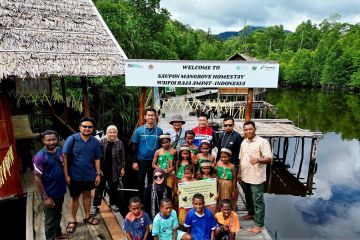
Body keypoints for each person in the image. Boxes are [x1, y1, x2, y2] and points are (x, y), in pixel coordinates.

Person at [62, 117, 102, 234]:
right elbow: (64, 156)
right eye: (84, 126)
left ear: (92, 129)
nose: (87, 129)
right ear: (80, 127)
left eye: (89, 127)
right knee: (75, 197)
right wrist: (66, 175)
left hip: (89, 174)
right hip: (75, 175)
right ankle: (73, 219)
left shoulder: (95, 141)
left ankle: (87, 216)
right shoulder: (72, 139)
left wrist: (98, 174)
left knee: (87, 195)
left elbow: (97, 158)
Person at [237, 121, 272, 235]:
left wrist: (258, 160)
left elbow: (269, 158)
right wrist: (239, 173)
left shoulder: (262, 142)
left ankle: (259, 225)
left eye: (250, 129)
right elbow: (240, 159)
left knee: (258, 201)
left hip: (256, 177)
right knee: (248, 197)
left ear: (255, 129)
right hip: (245, 175)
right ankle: (251, 213)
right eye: (246, 129)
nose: (248, 131)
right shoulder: (243, 142)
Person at [32, 130, 68, 240]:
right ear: (43, 141)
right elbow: (37, 178)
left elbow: (63, 165)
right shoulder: (40, 157)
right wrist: (46, 197)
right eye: (48, 140)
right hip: (49, 193)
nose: (51, 142)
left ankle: (58, 234)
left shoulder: (59, 150)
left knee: (58, 214)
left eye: (53, 139)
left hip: (60, 191)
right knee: (49, 220)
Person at [91, 125, 125, 216]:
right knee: (99, 187)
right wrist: (97, 169)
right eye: (110, 132)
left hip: (115, 169)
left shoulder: (119, 143)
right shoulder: (102, 141)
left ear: (116, 133)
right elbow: (97, 155)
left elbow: (122, 156)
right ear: (107, 133)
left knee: (113, 187)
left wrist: (122, 168)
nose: (112, 134)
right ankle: (95, 205)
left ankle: (113, 204)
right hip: (103, 169)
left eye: (114, 132)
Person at [132, 108, 163, 195]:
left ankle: (150, 200)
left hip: (154, 161)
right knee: (140, 181)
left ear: (155, 117)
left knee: (152, 181)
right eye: (148, 115)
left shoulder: (159, 131)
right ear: (145, 116)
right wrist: (134, 161)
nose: (150, 117)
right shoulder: (139, 130)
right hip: (141, 160)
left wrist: (159, 162)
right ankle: (142, 201)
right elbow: (134, 147)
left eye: (152, 115)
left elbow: (161, 147)